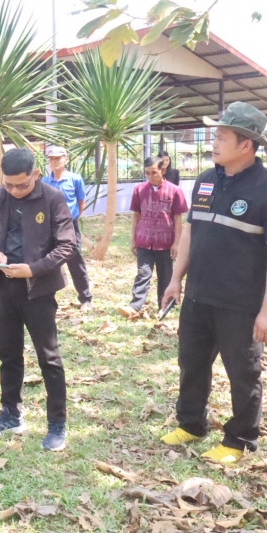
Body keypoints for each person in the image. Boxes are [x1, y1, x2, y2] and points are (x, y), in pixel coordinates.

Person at [160, 101, 267, 464]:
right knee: (191, 363)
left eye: (222, 137)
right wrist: (176, 279)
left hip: (241, 303)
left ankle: (240, 440)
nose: (214, 142)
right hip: (198, 295)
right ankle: (191, 423)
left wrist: (265, 312)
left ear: (246, 145)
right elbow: (191, 230)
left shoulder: (264, 187)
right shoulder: (206, 179)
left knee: (243, 374)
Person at [0, 148, 76, 451]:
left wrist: (33, 269)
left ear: (35, 174)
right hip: (5, 287)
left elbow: (67, 245)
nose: (14, 191)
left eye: (21, 185)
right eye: (8, 184)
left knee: (49, 358)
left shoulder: (52, 198)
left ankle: (56, 423)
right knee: (8, 353)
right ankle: (11, 414)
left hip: (39, 290)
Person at [117, 155, 188, 318]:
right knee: (143, 273)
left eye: (154, 173)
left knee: (165, 275)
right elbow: (136, 215)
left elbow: (178, 218)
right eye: (147, 173)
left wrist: (177, 243)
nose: (150, 176)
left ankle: (164, 306)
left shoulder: (175, 191)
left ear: (163, 170)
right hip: (144, 240)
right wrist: (133, 239)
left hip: (165, 242)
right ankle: (135, 306)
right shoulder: (139, 190)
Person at [42, 146, 93, 312]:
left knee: (76, 262)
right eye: (51, 159)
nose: (54, 161)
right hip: (50, 226)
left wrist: (72, 219)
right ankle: (48, 300)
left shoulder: (75, 180)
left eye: (58, 158)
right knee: (49, 261)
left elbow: (81, 203)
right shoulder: (45, 182)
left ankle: (86, 299)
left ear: (66, 159)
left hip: (70, 226)